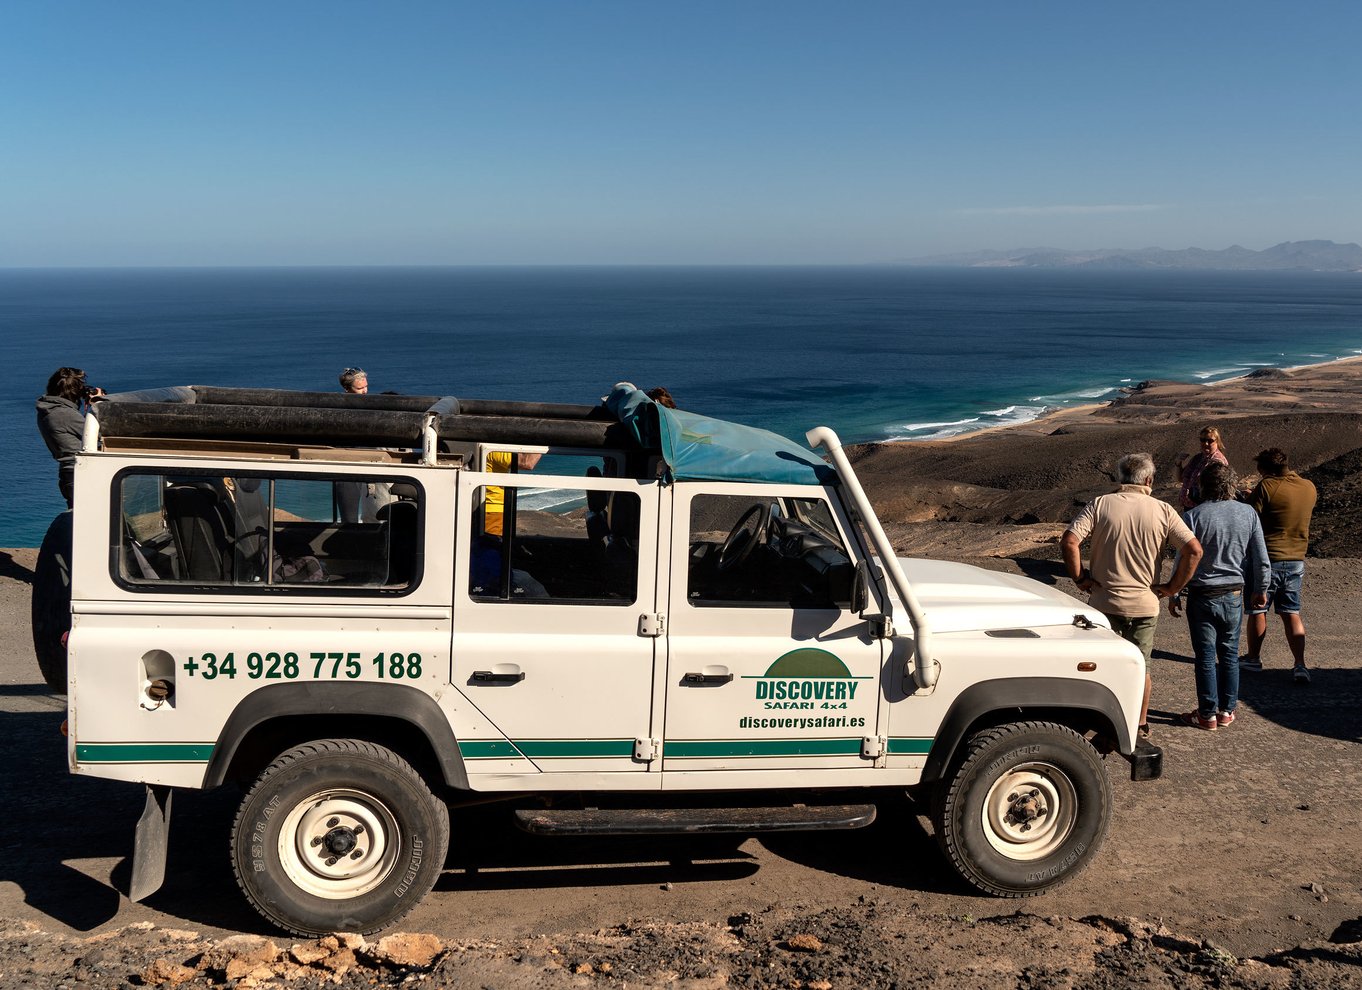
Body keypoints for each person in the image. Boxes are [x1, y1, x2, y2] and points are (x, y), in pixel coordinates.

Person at [1061, 452, 1203, 739]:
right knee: (1141, 665)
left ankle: (1096, 718)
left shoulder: (1100, 504)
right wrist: (1172, 588)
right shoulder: (1163, 510)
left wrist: (1080, 579)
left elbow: (1070, 541)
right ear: (1149, 480)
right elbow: (1194, 550)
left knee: (1101, 664)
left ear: (1121, 478)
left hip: (1104, 602)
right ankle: (1139, 722)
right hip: (1144, 604)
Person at [1167, 462, 1269, 730]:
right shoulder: (1248, 514)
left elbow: (1182, 558)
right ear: (1231, 485)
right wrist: (1262, 588)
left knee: (1205, 656)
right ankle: (1227, 710)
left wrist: (1174, 591)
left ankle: (1207, 713)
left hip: (1202, 594)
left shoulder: (1193, 516)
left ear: (1203, 485)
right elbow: (1260, 557)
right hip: (1234, 592)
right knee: (1229, 654)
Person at [1240, 447, 1317, 684]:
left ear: (1265, 469)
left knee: (1258, 609)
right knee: (1291, 612)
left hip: (1267, 559)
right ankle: (1300, 664)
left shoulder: (1267, 487)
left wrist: (1247, 497)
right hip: (1296, 559)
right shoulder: (1309, 487)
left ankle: (1253, 658)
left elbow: (1251, 518)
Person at [36, 367, 105, 508]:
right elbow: (100, 433)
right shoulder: (63, 414)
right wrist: (99, 405)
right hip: (80, 474)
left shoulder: (48, 409)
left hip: (70, 474)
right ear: (73, 391)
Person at [1176, 426, 1230, 509]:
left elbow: (1216, 491)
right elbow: (1181, 478)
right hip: (1190, 506)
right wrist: (1178, 463)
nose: (1206, 443)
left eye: (1210, 441)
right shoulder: (1198, 458)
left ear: (1217, 442)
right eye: (1203, 440)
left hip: (1202, 508)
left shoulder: (1217, 462)